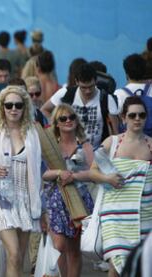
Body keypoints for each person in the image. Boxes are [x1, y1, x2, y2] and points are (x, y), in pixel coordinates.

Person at [0, 85, 42, 276]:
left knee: (19, 257)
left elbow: (39, 167)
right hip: (1, 198)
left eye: (18, 105)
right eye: (9, 105)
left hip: (25, 199)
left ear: (24, 107)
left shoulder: (32, 133)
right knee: (13, 253)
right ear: (2, 107)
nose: (13, 109)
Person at [90, 96, 152, 276]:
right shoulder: (112, 142)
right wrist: (107, 178)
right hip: (115, 214)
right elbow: (92, 171)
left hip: (145, 214)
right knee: (115, 268)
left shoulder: (150, 144)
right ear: (124, 118)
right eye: (132, 115)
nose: (137, 119)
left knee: (141, 267)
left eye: (141, 115)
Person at [42, 103, 95, 277]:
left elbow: (94, 174)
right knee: (59, 246)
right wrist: (59, 172)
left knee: (74, 249)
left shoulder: (85, 146)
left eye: (71, 117)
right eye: (62, 118)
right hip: (56, 199)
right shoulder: (51, 146)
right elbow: (43, 174)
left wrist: (74, 176)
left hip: (79, 199)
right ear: (56, 123)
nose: (68, 121)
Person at [41, 63, 119, 148]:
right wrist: (56, 124)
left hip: (97, 153)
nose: (88, 91)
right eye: (83, 87)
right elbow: (44, 110)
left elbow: (116, 133)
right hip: (69, 153)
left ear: (96, 81)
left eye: (91, 86)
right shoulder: (66, 94)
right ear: (76, 82)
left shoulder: (107, 99)